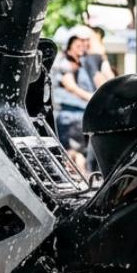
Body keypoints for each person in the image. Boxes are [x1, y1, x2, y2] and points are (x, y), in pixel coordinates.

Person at [50, 34, 93, 172]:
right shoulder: (65, 64)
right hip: (69, 118)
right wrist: (93, 98)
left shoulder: (80, 66)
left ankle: (82, 180)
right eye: (77, 46)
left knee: (75, 154)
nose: (82, 49)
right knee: (73, 153)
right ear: (68, 49)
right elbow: (71, 87)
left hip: (75, 118)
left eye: (83, 46)